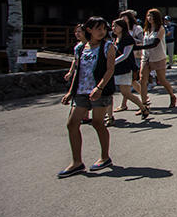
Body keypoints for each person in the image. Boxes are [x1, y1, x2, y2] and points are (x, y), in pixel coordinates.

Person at [58, 16, 116, 178]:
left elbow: (110, 69)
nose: (102, 32)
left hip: (100, 91)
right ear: (89, 30)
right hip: (82, 91)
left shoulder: (107, 46)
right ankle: (76, 162)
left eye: (104, 29)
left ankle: (105, 157)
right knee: (72, 123)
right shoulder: (80, 48)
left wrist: (99, 87)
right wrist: (71, 91)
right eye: (98, 29)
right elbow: (78, 70)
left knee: (98, 123)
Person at [137, 8, 177, 109]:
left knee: (162, 80)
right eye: (148, 16)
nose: (149, 18)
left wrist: (138, 47)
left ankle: (172, 96)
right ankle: (144, 104)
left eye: (152, 16)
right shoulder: (146, 29)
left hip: (158, 57)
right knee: (142, 79)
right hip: (146, 57)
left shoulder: (161, 29)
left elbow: (155, 43)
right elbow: (145, 42)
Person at [111, 18, 149, 121]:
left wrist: (112, 63)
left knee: (126, 92)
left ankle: (143, 107)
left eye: (116, 26)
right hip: (117, 68)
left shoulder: (128, 39)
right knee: (120, 92)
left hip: (125, 68)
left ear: (122, 27)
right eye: (113, 26)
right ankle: (109, 116)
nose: (113, 28)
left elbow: (125, 55)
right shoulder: (115, 39)